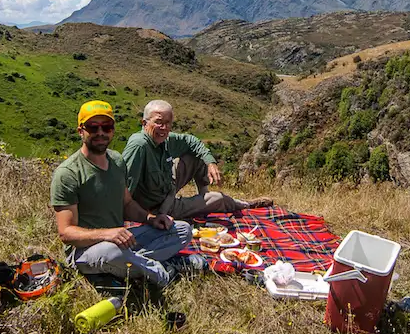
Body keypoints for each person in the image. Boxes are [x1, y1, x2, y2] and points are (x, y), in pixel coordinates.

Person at [50, 100, 195, 288]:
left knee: (182, 229)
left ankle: (128, 267)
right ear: (81, 131)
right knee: (112, 253)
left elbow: (127, 204)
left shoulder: (117, 161)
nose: (100, 132)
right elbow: (66, 233)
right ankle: (161, 274)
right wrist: (108, 234)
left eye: (106, 126)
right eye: (93, 127)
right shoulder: (68, 173)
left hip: (120, 240)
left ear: (112, 130)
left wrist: (151, 219)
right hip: (86, 251)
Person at [122, 99, 272, 220]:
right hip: (159, 206)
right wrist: (146, 218)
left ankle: (202, 196)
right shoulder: (140, 145)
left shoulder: (164, 140)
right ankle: (244, 204)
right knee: (218, 199)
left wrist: (210, 163)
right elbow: (124, 187)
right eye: (159, 122)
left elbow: (191, 141)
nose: (164, 127)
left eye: (168, 123)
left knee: (196, 154)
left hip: (166, 186)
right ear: (144, 123)